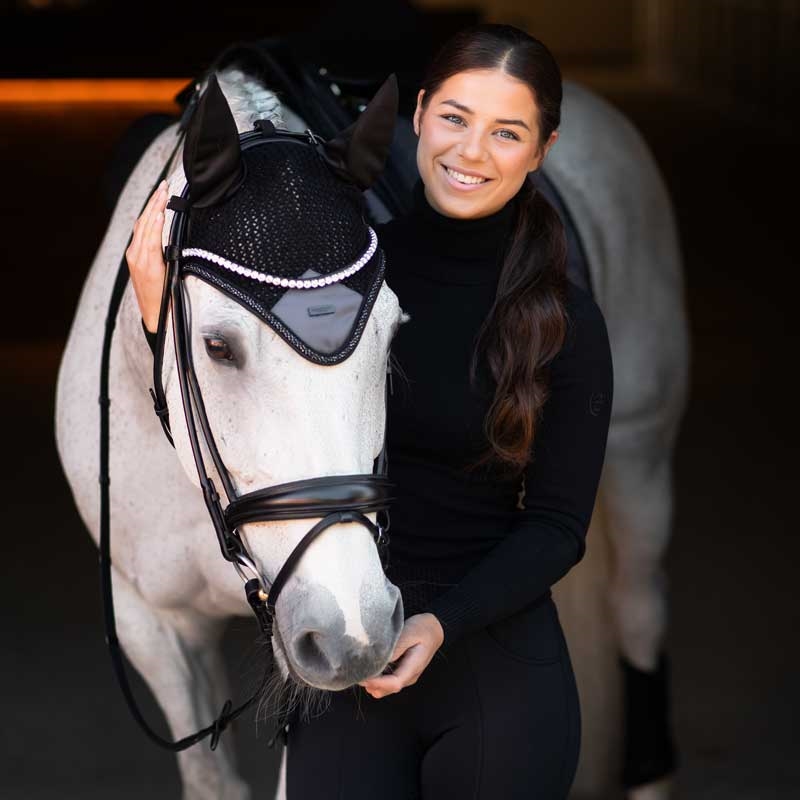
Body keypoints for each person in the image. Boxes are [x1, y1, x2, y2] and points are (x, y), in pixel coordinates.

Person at [127, 23, 613, 800]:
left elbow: (558, 527)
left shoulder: (564, 320)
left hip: (494, 675)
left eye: (507, 132)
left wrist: (438, 623)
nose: (472, 152)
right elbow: (246, 425)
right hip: (352, 657)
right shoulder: (340, 278)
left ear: (541, 150)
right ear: (417, 116)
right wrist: (161, 325)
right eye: (455, 118)